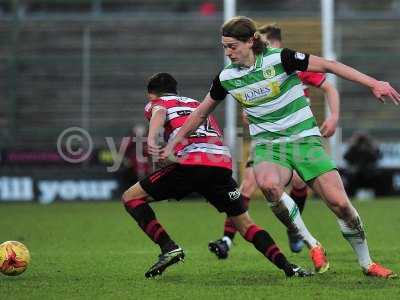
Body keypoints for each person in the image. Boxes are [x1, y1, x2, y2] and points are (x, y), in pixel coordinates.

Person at [159, 16, 399, 278]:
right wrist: (174, 142)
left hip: (304, 139)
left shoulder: (281, 58)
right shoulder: (226, 78)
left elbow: (330, 66)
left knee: (340, 204)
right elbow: (200, 113)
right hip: (268, 145)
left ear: (250, 41)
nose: (228, 52)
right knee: (270, 186)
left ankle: (367, 263)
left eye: (232, 46)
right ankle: (312, 244)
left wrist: (374, 83)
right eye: (224, 47)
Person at [121, 72, 312, 278]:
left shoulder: (157, 102)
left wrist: (152, 139)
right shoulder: (195, 104)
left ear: (151, 94)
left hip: (192, 164)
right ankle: (289, 267)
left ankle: (168, 247)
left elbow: (158, 112)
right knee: (246, 225)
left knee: (131, 198)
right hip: (220, 164)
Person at [208, 23, 341, 256]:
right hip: (267, 141)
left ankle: (294, 230)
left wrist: (333, 117)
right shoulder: (248, 70)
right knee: (247, 185)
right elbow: (245, 110)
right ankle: (227, 239)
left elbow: (329, 87)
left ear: (276, 43)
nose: (262, 46)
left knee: (300, 183)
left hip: (298, 136)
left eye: (266, 42)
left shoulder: (292, 64)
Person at [344, 132, 382, 197]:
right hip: (356, 173)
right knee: (350, 177)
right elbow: (346, 157)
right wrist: (352, 145)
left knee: (378, 177)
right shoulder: (354, 148)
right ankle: (350, 195)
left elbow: (377, 157)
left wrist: (373, 147)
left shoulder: (370, 148)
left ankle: (378, 195)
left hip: (368, 172)